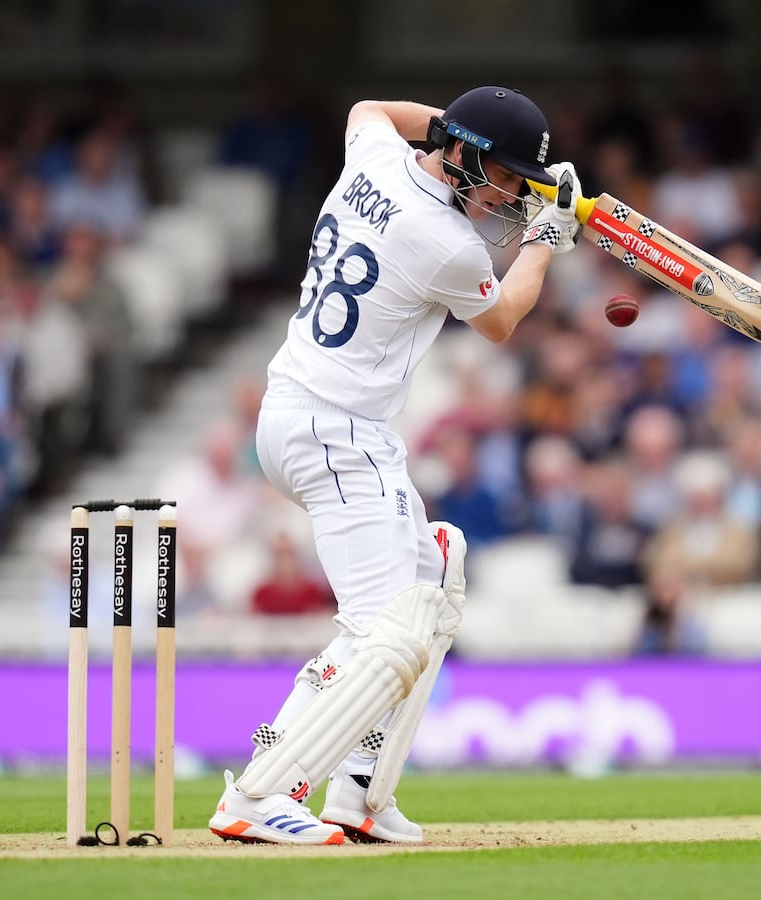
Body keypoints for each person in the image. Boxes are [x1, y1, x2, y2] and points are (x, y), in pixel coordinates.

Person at [207, 86, 579, 845]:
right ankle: (262, 791)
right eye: (506, 174)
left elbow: (369, 108)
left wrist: (446, 126)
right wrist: (548, 237)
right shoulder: (445, 242)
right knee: (385, 630)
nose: (510, 192)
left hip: (306, 412)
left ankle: (362, 794)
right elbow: (504, 320)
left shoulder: (372, 156)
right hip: (337, 431)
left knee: (435, 576)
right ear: (468, 156)